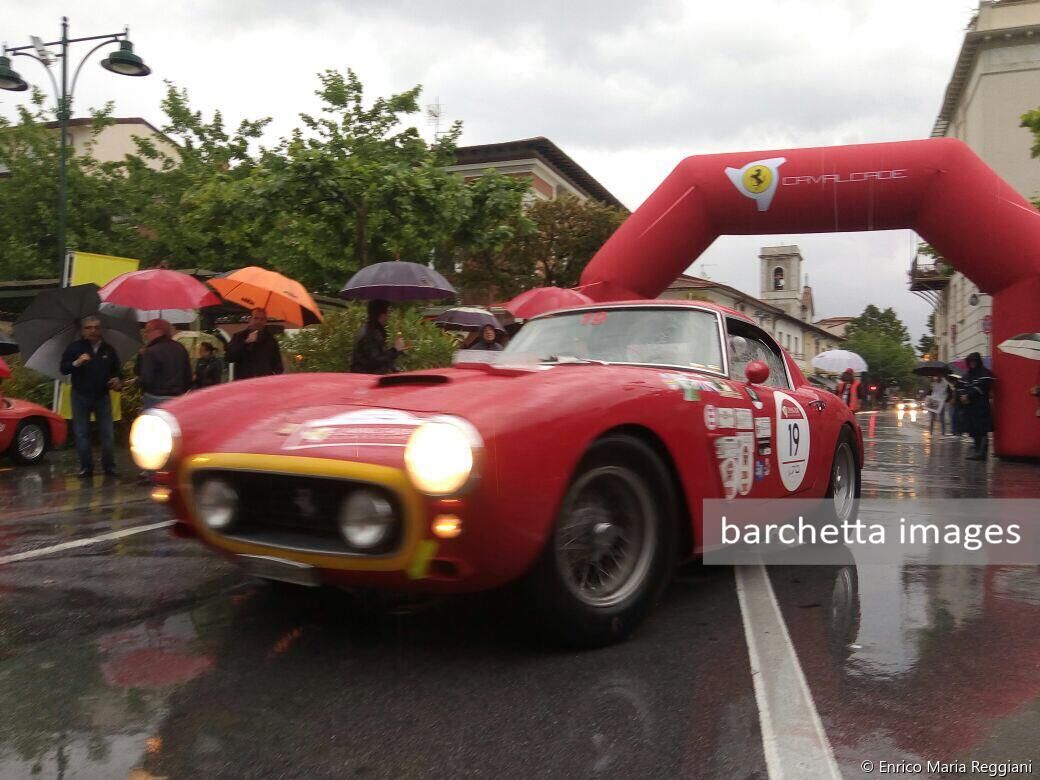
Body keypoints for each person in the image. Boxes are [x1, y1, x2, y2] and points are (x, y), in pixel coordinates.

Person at [60, 316, 122, 478]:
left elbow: (117, 371)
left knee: (107, 433)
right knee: (82, 433)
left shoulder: (108, 350)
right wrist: (77, 362)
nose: (92, 331)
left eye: (96, 327)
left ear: (101, 330)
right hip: (80, 396)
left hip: (102, 396)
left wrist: (117, 380)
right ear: (82, 331)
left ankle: (110, 467)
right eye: (88, 328)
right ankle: (86, 468)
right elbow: (64, 368)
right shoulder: (75, 348)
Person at [136, 319, 193, 409]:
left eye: (148, 331)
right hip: (178, 398)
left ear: (158, 331)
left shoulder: (151, 351)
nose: (146, 335)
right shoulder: (180, 348)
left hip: (155, 398)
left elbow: (146, 379)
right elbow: (188, 376)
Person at [350, 300, 406, 374]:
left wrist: (394, 368)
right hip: (366, 379)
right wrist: (395, 350)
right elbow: (375, 360)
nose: (389, 316)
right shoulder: (370, 334)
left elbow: (381, 356)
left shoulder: (376, 330)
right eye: (388, 312)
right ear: (382, 315)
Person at [226, 308, 283, 380]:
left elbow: (278, 365)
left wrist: (273, 378)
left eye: (262, 319)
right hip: (244, 383)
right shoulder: (239, 336)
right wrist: (246, 342)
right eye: (256, 318)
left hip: (263, 383)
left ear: (265, 321)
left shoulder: (271, 340)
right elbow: (230, 357)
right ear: (250, 320)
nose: (259, 321)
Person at [960, 352, 994, 460]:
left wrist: (969, 395)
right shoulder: (966, 375)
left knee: (982, 429)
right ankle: (977, 450)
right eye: (970, 361)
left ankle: (982, 452)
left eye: (974, 361)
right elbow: (961, 387)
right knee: (973, 429)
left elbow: (982, 387)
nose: (972, 363)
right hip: (970, 407)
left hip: (981, 406)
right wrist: (962, 396)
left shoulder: (985, 373)